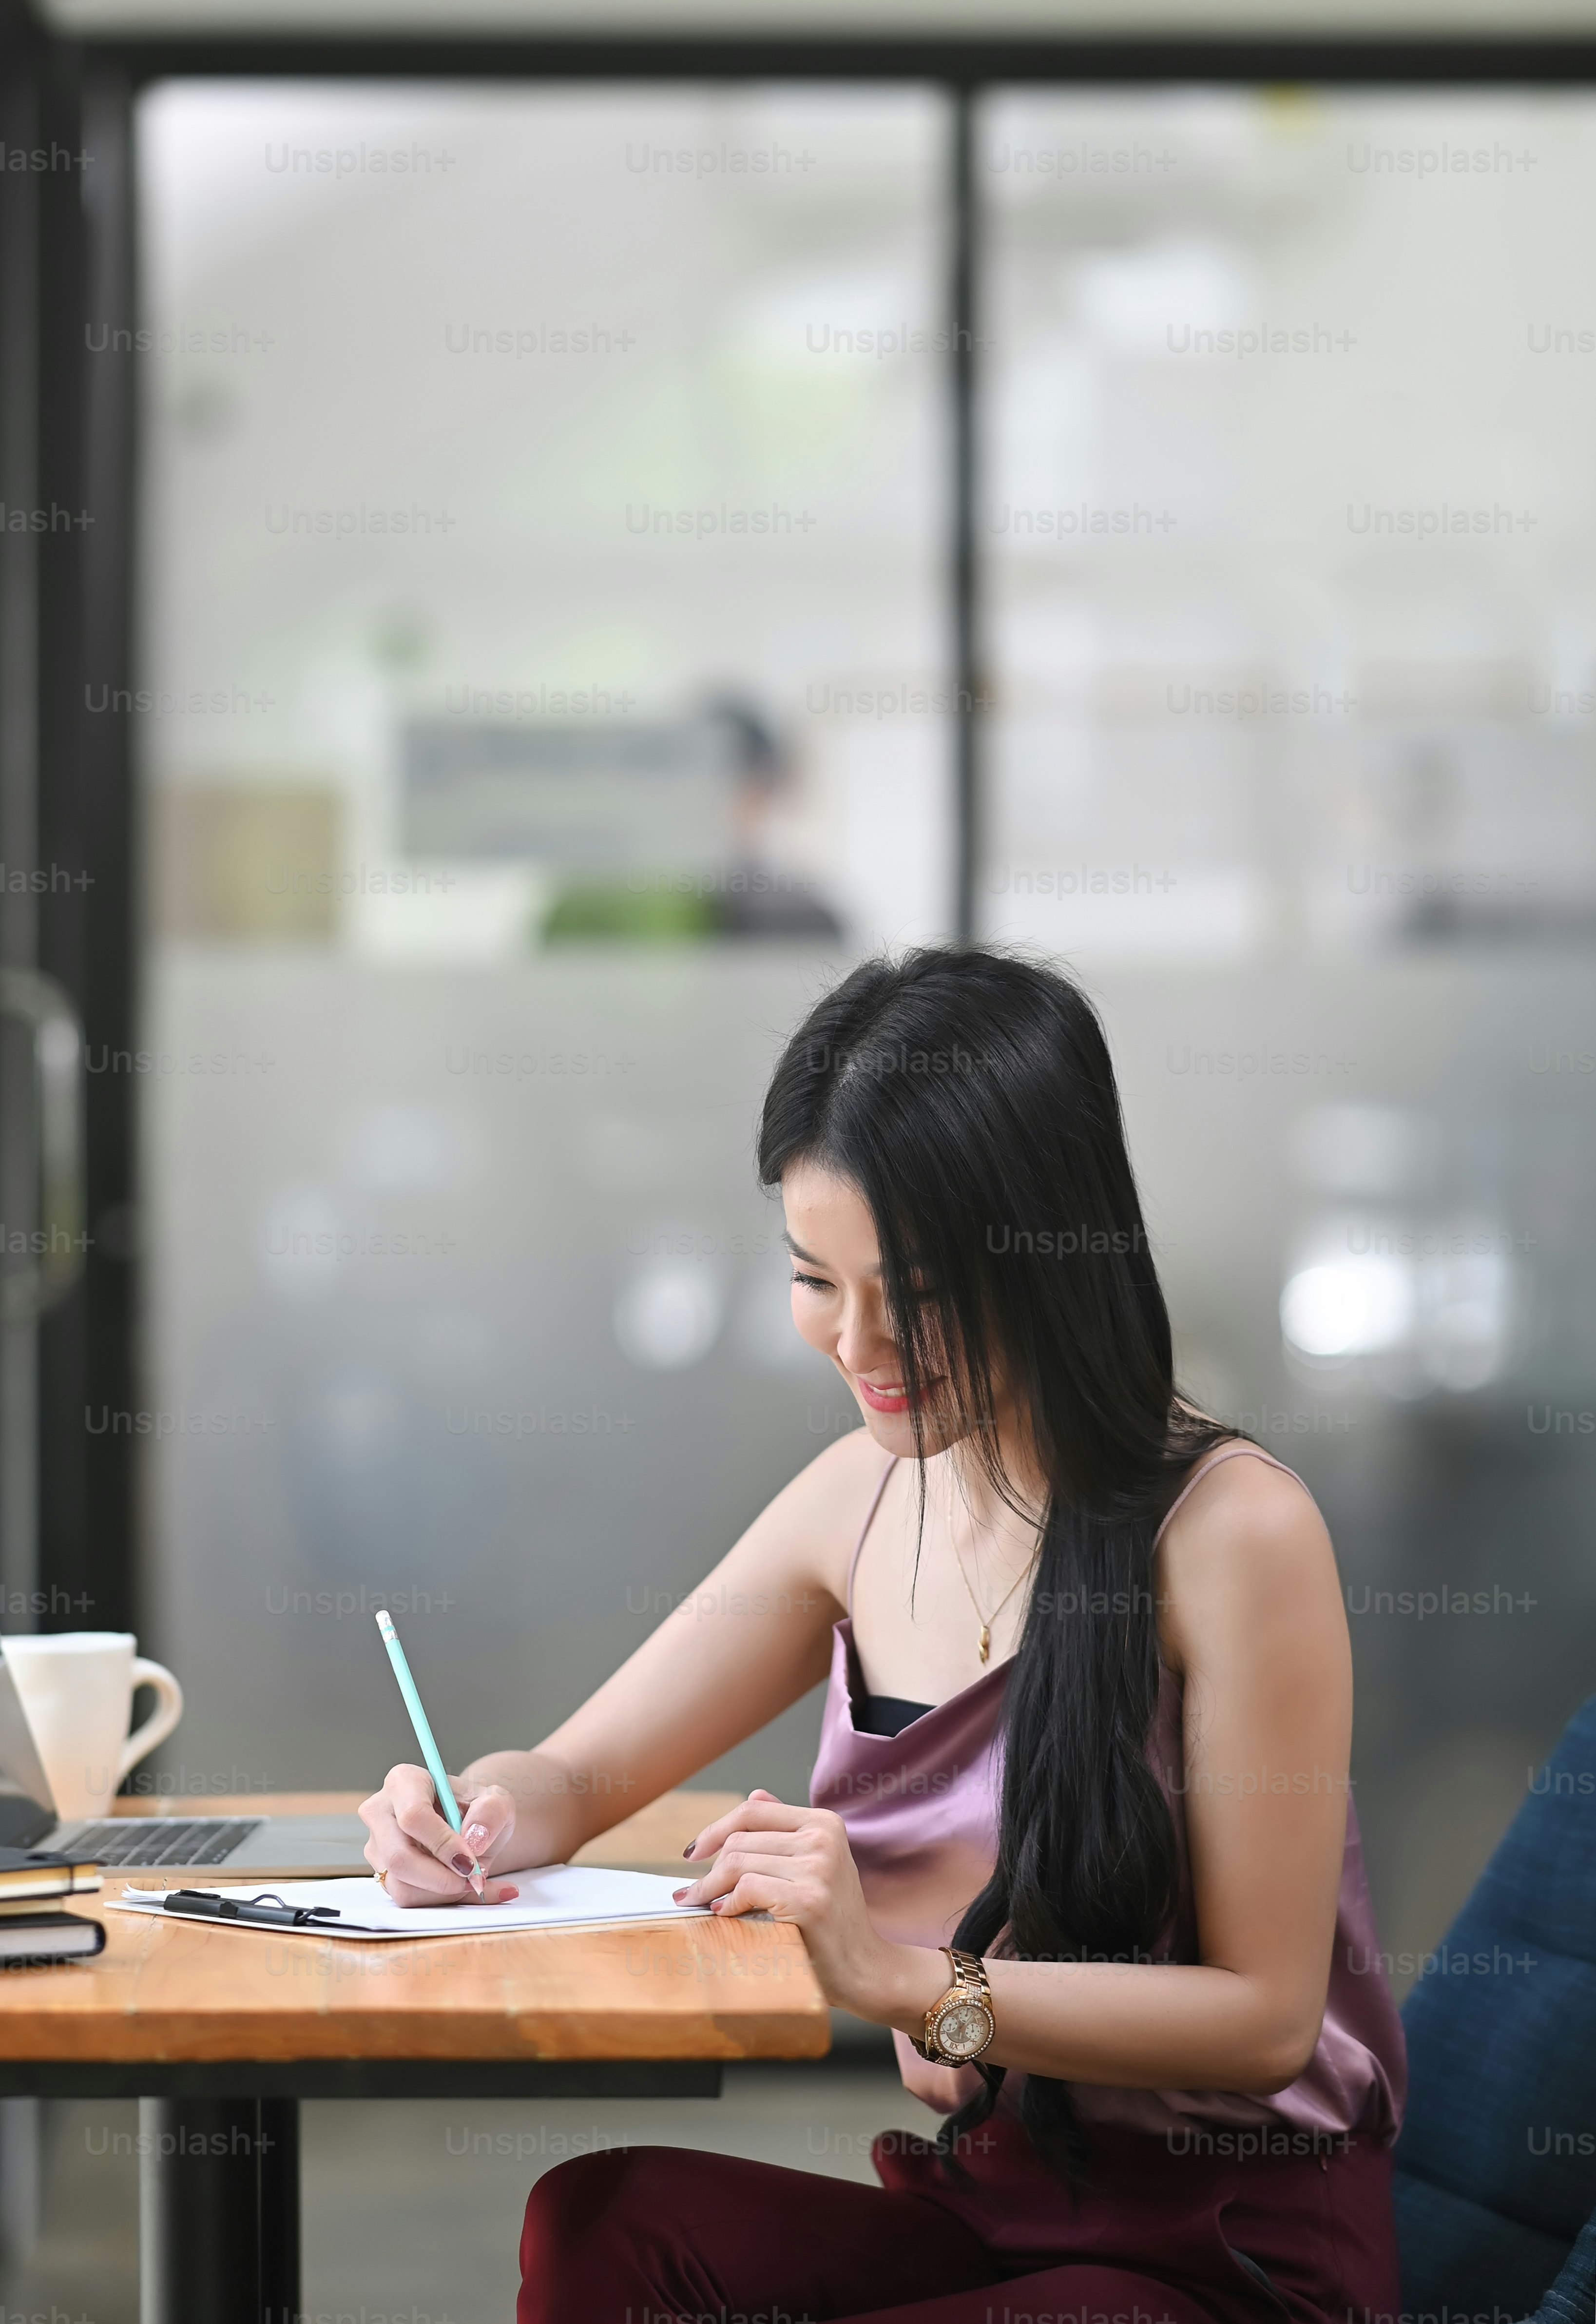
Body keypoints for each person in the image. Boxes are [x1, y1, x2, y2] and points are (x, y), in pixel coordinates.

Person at [359, 946, 1406, 2324]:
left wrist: (901, 1981)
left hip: (1227, 2257)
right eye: (814, 1279)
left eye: (912, 1292)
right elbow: (575, 1776)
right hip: (999, 2209)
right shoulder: (855, 1501)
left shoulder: (1233, 1531)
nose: (857, 1344)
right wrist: (465, 1819)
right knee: (600, 2224)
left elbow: (1266, 2018)